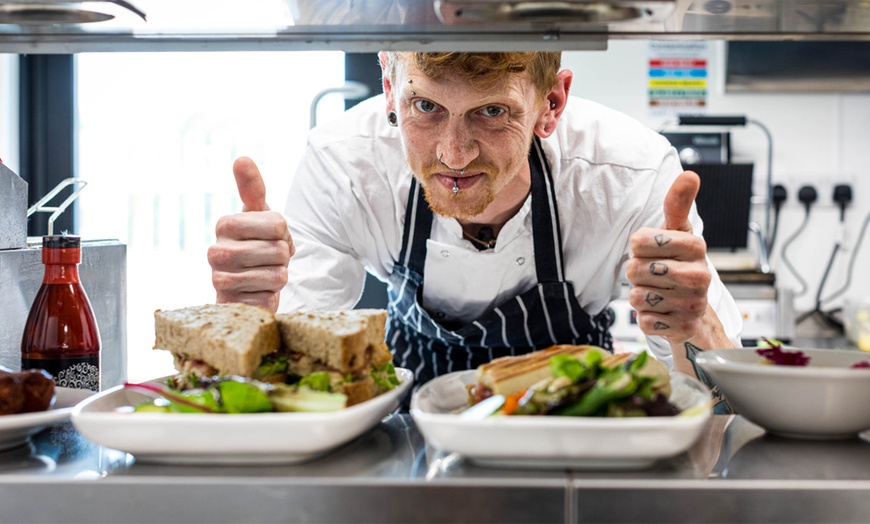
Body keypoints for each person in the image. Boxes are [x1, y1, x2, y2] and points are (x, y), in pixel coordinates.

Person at [208, 51, 741, 408]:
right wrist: (254, 322)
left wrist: (694, 329)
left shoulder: (631, 175)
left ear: (550, 104)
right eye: (425, 107)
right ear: (390, 87)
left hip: (574, 430)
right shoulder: (344, 165)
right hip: (408, 428)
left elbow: (712, 395)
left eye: (491, 111)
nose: (453, 154)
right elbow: (297, 369)